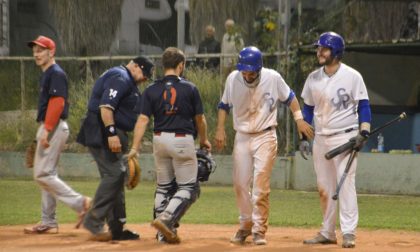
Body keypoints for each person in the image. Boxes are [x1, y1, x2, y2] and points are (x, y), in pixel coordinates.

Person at [214, 46, 314, 245]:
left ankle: (259, 230)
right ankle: (246, 224)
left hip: (265, 136)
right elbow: (224, 105)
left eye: (250, 71)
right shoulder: (233, 79)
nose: (247, 74)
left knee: (260, 185)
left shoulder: (272, 77)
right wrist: (220, 128)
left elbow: (291, 98)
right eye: (244, 70)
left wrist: (299, 119)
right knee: (240, 184)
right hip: (242, 136)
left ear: (259, 69)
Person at [126, 47, 211, 244]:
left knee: (163, 187)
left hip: (159, 140)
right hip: (182, 140)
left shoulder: (151, 90)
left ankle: (162, 234)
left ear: (163, 66)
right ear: (181, 65)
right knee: (189, 187)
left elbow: (142, 120)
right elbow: (200, 120)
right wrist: (204, 140)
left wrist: (134, 148)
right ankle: (167, 219)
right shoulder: (190, 88)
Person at [300, 31, 371, 249]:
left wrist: (364, 132)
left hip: (345, 137)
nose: (319, 52)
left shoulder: (353, 76)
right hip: (321, 138)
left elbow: (364, 105)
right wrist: (304, 137)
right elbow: (308, 109)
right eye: (318, 48)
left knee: (346, 185)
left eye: (324, 48)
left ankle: (349, 233)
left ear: (336, 52)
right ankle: (328, 232)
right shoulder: (313, 78)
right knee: (325, 187)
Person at [76, 56, 154, 241]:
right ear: (135, 66)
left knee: (117, 178)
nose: (145, 79)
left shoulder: (127, 80)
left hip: (112, 131)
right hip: (101, 129)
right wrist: (111, 133)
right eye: (144, 73)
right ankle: (93, 221)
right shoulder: (120, 77)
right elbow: (106, 107)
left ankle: (117, 228)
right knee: (115, 175)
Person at [24, 35, 92, 234]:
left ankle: (81, 203)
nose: (36, 53)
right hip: (50, 126)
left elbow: (58, 102)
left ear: (51, 52)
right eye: (35, 50)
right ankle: (49, 221)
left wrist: (46, 131)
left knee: (42, 174)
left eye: (41, 50)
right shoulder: (47, 73)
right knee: (47, 174)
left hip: (53, 126)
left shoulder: (56, 73)